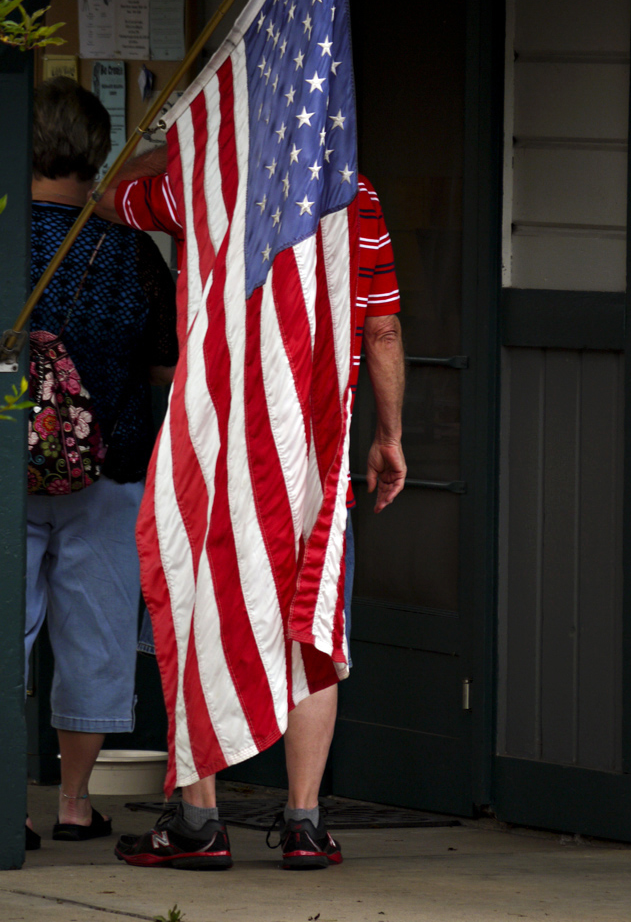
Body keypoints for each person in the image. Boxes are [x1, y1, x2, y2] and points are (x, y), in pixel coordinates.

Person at [94, 159, 406, 870]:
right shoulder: (358, 194)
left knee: (199, 614)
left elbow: (110, 197)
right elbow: (381, 328)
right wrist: (387, 436)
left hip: (215, 450)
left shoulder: (209, 170)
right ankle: (303, 823)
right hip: (312, 453)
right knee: (310, 627)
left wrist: (165, 141)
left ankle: (199, 824)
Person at [24, 78, 178, 850]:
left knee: (1, 632)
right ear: (94, 153)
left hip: (3, 467)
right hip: (109, 465)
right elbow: (164, 362)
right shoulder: (129, 252)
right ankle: (75, 804)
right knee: (95, 636)